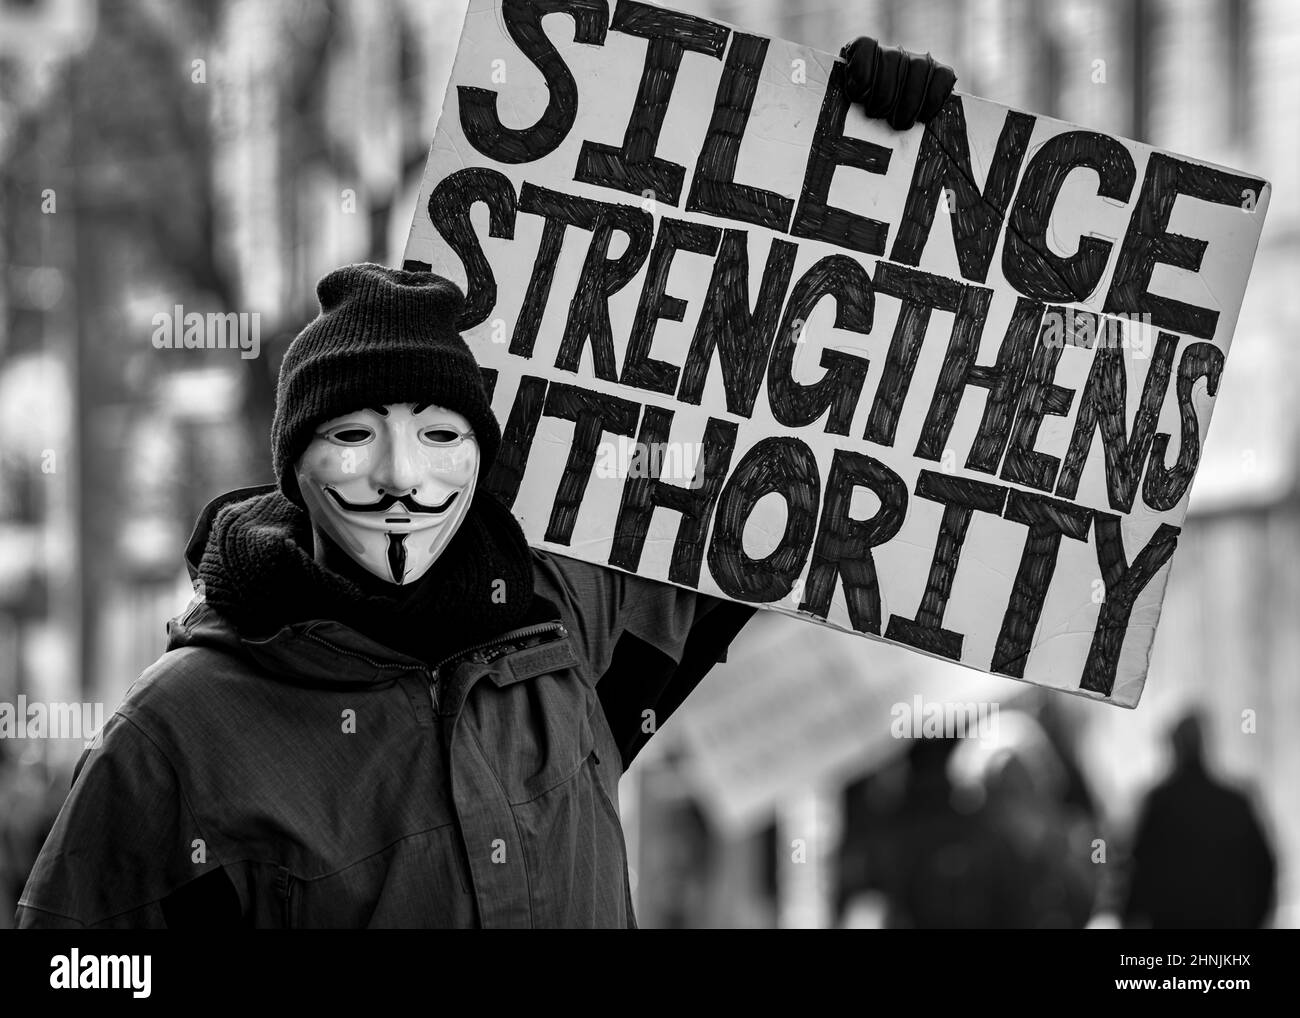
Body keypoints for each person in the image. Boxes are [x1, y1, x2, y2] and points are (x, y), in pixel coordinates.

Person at [16, 37, 956, 929]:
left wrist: (867, 151)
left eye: (437, 433)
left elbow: (779, 457)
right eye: (351, 434)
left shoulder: (558, 618)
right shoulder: (176, 737)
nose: (396, 475)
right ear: (295, 467)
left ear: (480, 453)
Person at [1124, 710, 1277, 929]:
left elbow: (1139, 868)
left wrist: (1130, 914)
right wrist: (1255, 918)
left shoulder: (1159, 804)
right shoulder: (1234, 803)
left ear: (1174, 747)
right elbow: (1264, 866)